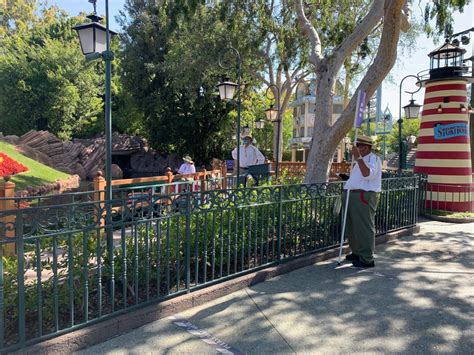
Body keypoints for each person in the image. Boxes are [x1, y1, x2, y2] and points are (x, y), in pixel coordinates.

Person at [342, 135, 382, 268]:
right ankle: (357, 252)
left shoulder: (373, 159)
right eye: (358, 146)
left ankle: (367, 258)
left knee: (364, 227)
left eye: (363, 146)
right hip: (352, 195)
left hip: (363, 196)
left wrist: (358, 157)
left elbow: (367, 174)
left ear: (369, 147)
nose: (360, 149)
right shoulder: (360, 160)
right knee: (352, 227)